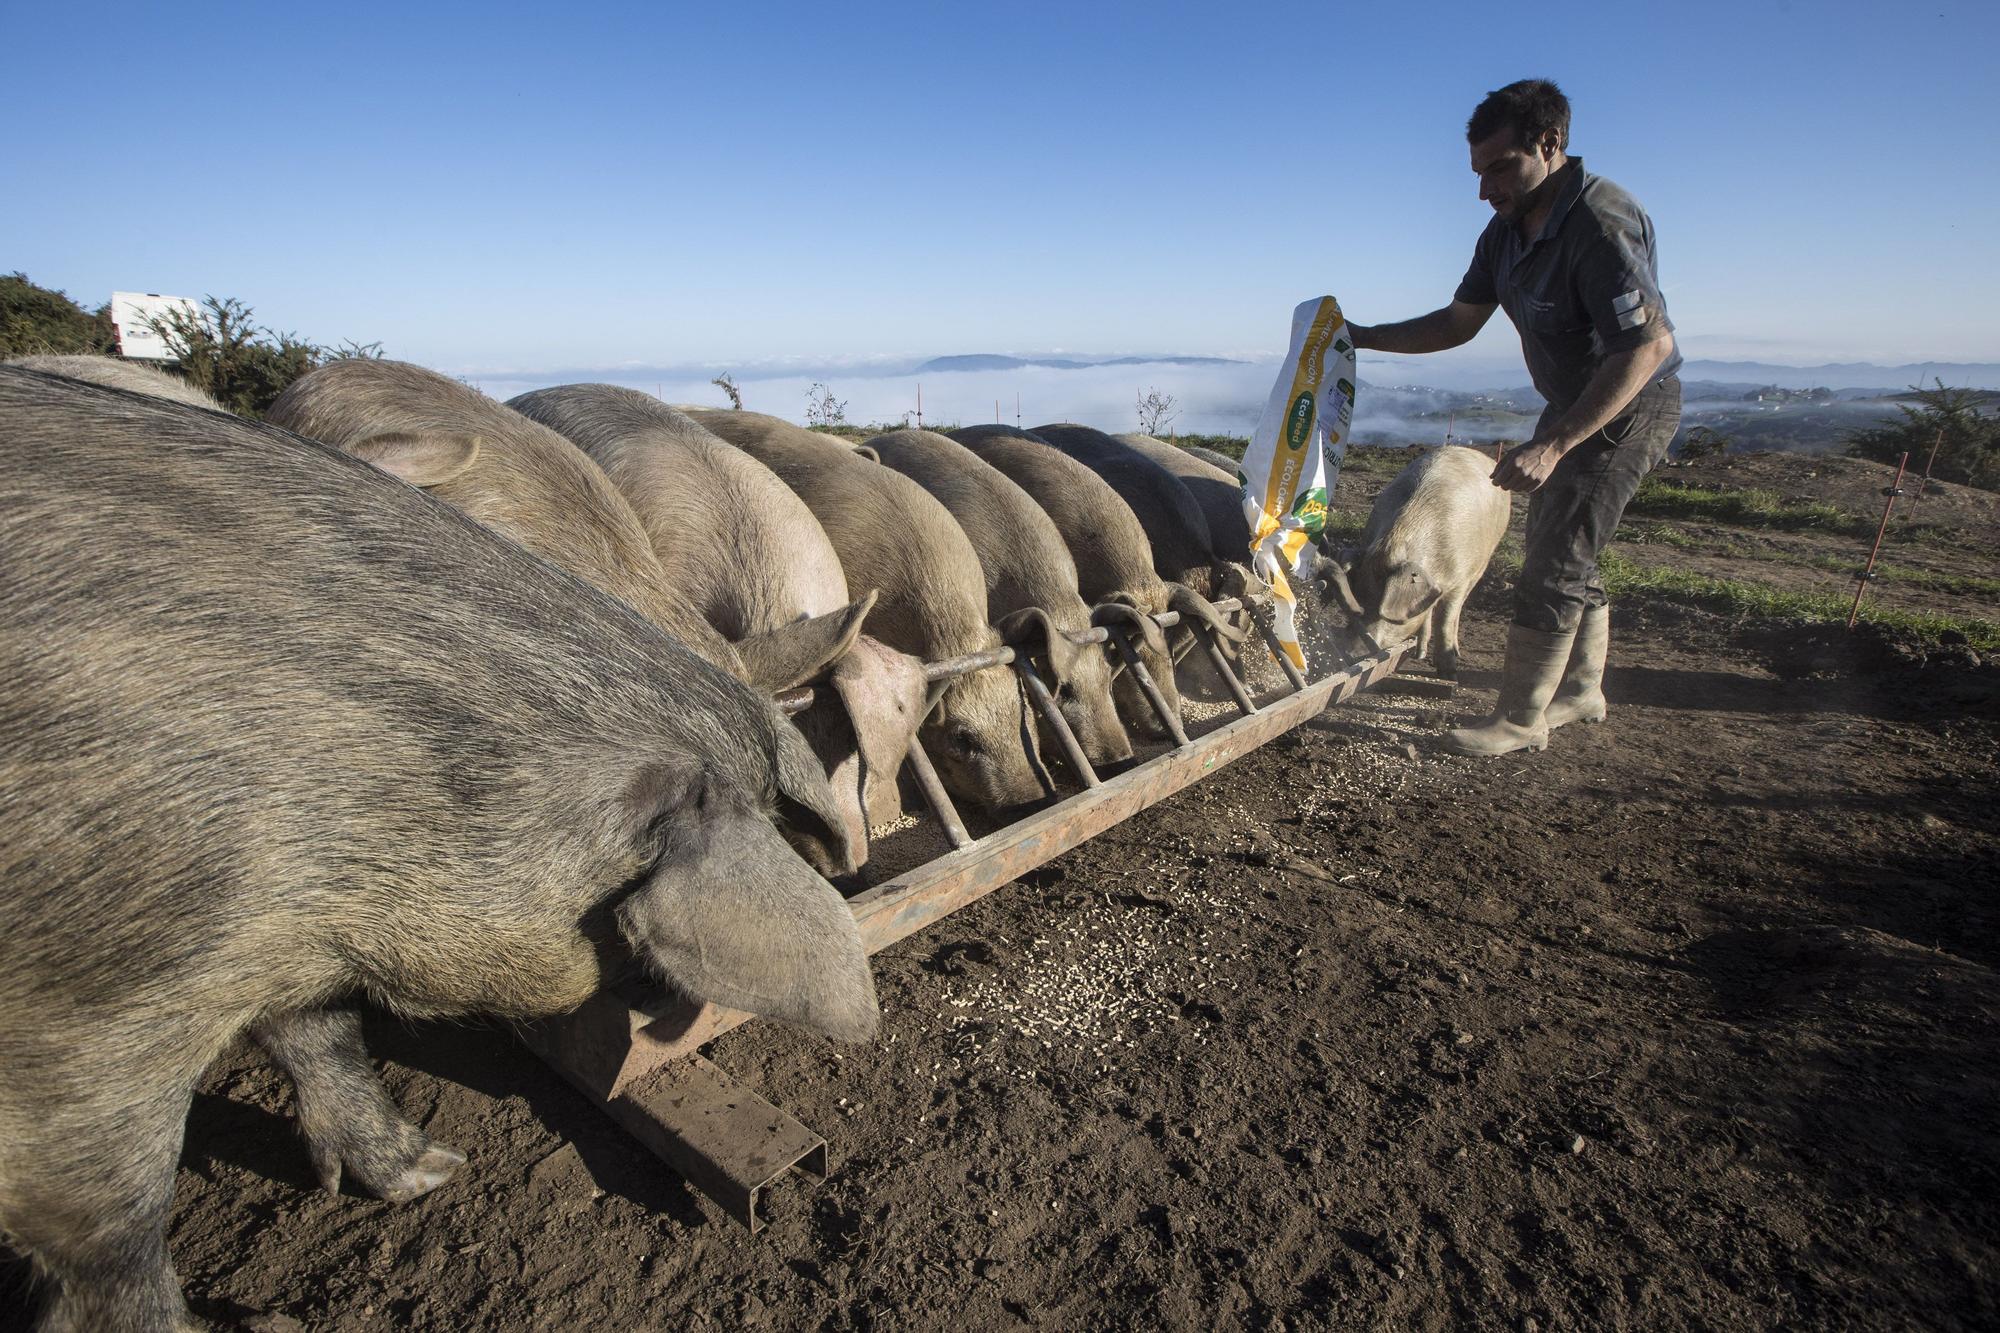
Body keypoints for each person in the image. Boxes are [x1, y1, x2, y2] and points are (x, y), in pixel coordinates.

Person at [1346, 78, 1682, 757]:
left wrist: (1555, 444)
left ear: (1550, 144)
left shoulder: (1600, 222)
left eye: (1500, 167)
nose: (1484, 189)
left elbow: (1648, 347)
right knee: (1568, 545)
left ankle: (1523, 719)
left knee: (1555, 558)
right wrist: (1361, 335)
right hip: (1571, 405)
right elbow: (1457, 322)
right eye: (1477, 172)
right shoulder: (1503, 234)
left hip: (1627, 407)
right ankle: (1583, 689)